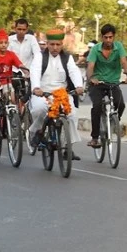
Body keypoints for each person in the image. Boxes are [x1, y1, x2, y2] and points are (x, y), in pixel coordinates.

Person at [28, 29, 84, 160]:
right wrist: (36, 87)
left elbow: (74, 71)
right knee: (40, 109)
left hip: (61, 94)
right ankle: (37, 132)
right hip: (42, 93)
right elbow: (35, 71)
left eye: (58, 45)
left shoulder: (67, 58)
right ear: (47, 44)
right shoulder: (40, 57)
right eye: (52, 44)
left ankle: (67, 147)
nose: (54, 48)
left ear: (61, 44)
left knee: (71, 114)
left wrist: (79, 86)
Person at [85, 24, 127, 148]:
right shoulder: (95, 49)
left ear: (114, 37)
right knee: (97, 106)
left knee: (121, 104)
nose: (108, 40)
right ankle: (95, 137)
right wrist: (92, 78)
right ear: (102, 37)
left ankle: (114, 123)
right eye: (106, 37)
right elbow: (90, 66)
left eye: (110, 37)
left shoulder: (119, 47)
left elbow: (124, 62)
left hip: (113, 83)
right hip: (97, 83)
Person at [0, 29, 27, 151]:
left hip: (7, 83)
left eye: (5, 42)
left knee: (13, 99)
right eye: (1, 42)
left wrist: (26, 71)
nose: (3, 45)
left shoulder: (11, 55)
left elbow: (19, 64)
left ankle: (12, 119)